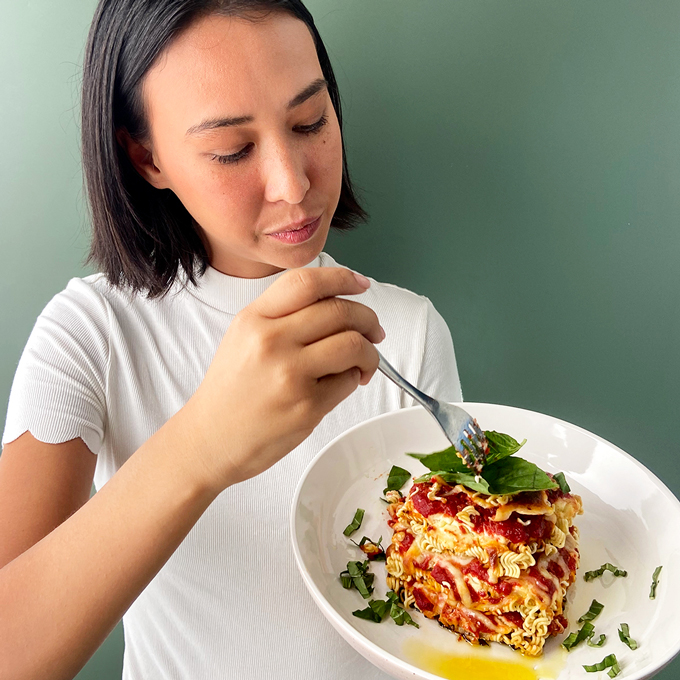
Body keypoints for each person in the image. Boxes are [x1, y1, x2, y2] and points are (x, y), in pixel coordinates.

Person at [0, 1, 462, 678]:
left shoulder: (409, 331)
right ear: (146, 156)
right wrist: (202, 446)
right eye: (232, 149)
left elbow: (441, 610)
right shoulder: (91, 336)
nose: (294, 183)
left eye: (310, 121)